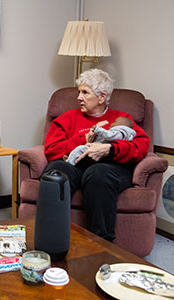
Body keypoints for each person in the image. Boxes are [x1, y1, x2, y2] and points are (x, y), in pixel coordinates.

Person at [43, 69, 150, 241]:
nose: (78, 97)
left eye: (85, 92)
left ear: (102, 97)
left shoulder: (122, 119)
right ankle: (51, 238)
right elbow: (51, 149)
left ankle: (102, 244)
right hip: (76, 164)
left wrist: (110, 149)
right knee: (56, 171)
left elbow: (142, 145)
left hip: (111, 166)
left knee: (98, 174)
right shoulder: (67, 118)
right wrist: (82, 140)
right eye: (79, 92)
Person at [65, 116, 136, 166]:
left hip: (100, 153)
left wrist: (98, 129)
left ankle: (69, 163)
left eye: (115, 121)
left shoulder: (119, 132)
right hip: (95, 150)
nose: (112, 123)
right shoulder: (120, 133)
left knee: (80, 149)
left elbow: (109, 135)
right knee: (80, 151)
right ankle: (71, 158)